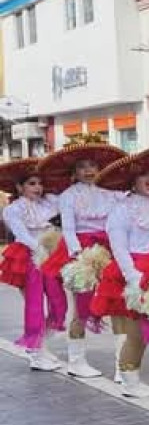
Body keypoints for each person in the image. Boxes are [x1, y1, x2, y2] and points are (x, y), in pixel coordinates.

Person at [90, 149, 149, 399]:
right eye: (144, 175)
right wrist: (134, 279)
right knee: (137, 334)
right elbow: (119, 248)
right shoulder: (122, 210)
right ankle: (130, 382)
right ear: (132, 181)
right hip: (133, 274)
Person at [36, 138, 127, 379]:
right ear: (74, 172)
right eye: (82, 166)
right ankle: (76, 361)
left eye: (92, 166)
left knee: (119, 305)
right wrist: (79, 256)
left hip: (110, 247)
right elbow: (68, 228)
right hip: (81, 250)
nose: (88, 171)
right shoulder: (68, 196)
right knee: (82, 307)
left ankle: (124, 366)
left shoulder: (114, 194)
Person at [0, 159, 67, 371]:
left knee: (59, 304)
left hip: (48, 255)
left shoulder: (47, 203)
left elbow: (65, 200)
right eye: (31, 183)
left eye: (39, 183)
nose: (37, 187)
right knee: (35, 305)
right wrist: (41, 251)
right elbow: (22, 234)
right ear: (19, 187)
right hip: (28, 257)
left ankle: (37, 345)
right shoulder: (13, 210)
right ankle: (36, 353)